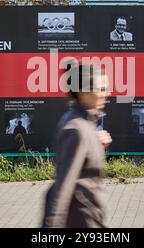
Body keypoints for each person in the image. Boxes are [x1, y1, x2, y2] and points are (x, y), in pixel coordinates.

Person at [43, 64, 112, 228]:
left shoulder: (84, 122)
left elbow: (83, 167)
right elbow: (63, 188)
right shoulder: (76, 128)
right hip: (82, 221)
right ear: (84, 92)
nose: (107, 93)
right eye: (101, 88)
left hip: (89, 218)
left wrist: (98, 147)